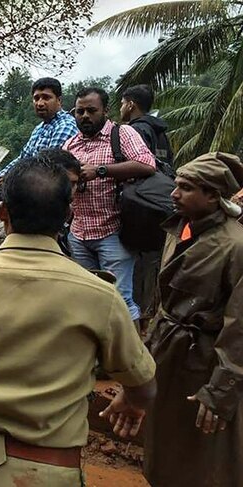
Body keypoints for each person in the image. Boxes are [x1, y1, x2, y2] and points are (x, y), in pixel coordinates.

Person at [0, 156, 157, 486]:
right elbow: (145, 386)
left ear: (3, 212)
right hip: (50, 471)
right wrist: (131, 401)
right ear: (67, 215)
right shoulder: (101, 295)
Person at [144, 152, 243, 487]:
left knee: (201, 453)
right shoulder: (178, 228)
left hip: (203, 363)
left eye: (185, 188)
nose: (174, 194)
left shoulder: (234, 246)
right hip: (168, 351)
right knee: (162, 443)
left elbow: (239, 327)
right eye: (176, 185)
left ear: (213, 196)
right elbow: (165, 303)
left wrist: (220, 391)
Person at [63, 87, 156, 322]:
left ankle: (132, 356)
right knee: (87, 299)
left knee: (120, 300)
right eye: (80, 111)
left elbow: (147, 164)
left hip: (113, 232)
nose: (85, 116)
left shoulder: (122, 134)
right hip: (79, 233)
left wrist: (100, 171)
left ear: (105, 111)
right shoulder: (70, 144)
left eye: (91, 111)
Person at [120, 84, 174, 328]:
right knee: (152, 267)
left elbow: (138, 167)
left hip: (140, 207)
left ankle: (137, 326)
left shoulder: (135, 132)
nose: (121, 108)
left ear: (130, 104)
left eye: (122, 103)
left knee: (135, 268)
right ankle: (147, 317)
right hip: (160, 205)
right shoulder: (160, 131)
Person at [0, 77, 78, 197]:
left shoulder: (66, 126)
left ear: (59, 100)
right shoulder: (39, 129)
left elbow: (47, 167)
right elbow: (22, 158)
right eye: (36, 98)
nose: (40, 103)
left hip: (51, 198)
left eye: (46, 97)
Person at [0, 148, 81, 256]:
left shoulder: (61, 232)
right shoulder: (2, 237)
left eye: (75, 183)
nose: (70, 190)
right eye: (68, 183)